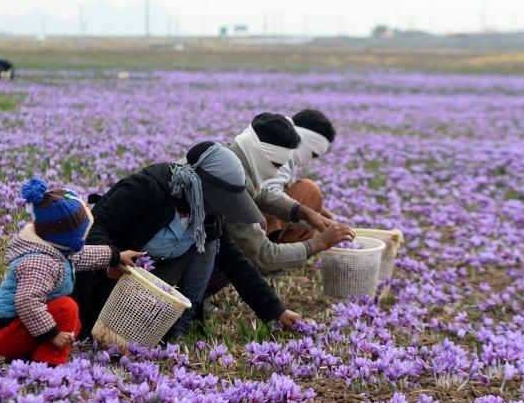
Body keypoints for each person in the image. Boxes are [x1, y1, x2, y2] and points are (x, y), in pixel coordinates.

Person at [73, 142, 304, 343]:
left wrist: (276, 310)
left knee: (211, 245)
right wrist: (112, 258)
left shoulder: (207, 213)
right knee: (95, 332)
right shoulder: (146, 188)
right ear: (200, 186)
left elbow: (236, 263)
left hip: (151, 294)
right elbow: (98, 225)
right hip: (107, 281)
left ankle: (180, 327)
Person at [0, 177, 142, 366]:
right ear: (70, 238)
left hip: (21, 328)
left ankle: (28, 358)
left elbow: (82, 257)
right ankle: (47, 365)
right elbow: (27, 301)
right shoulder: (40, 262)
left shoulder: (53, 248)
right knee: (66, 308)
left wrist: (116, 256)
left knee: (73, 323)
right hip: (10, 335)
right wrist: (52, 334)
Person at [221, 113, 354, 276]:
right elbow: (264, 255)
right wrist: (319, 242)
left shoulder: (229, 155)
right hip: (199, 258)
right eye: (313, 154)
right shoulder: (232, 183)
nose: (275, 173)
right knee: (309, 190)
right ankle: (273, 259)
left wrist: (304, 211)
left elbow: (258, 193)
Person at [263, 109, 337, 243]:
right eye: (313, 154)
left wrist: (318, 210)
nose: (309, 161)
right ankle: (276, 250)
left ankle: (276, 248)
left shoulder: (279, 141)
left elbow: (283, 187)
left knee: (309, 200)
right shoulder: (280, 149)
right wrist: (308, 213)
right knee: (309, 190)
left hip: (247, 212)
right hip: (248, 220)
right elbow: (268, 193)